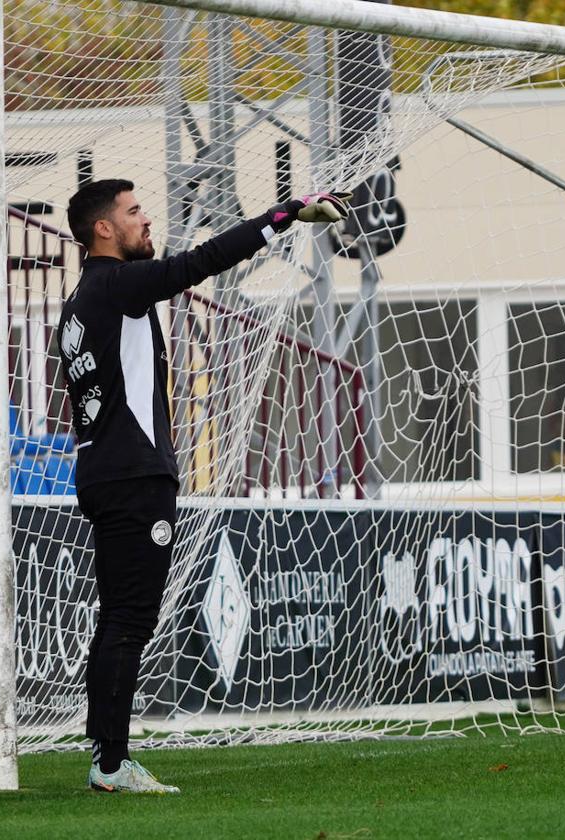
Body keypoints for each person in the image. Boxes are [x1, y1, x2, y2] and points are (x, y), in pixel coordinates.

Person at [57, 179, 349, 794]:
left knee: (118, 619)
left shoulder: (82, 299)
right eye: (133, 212)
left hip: (101, 470)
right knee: (130, 621)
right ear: (103, 229)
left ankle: (106, 756)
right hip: (136, 477)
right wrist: (286, 214)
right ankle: (110, 764)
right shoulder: (118, 286)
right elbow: (203, 261)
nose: (145, 220)